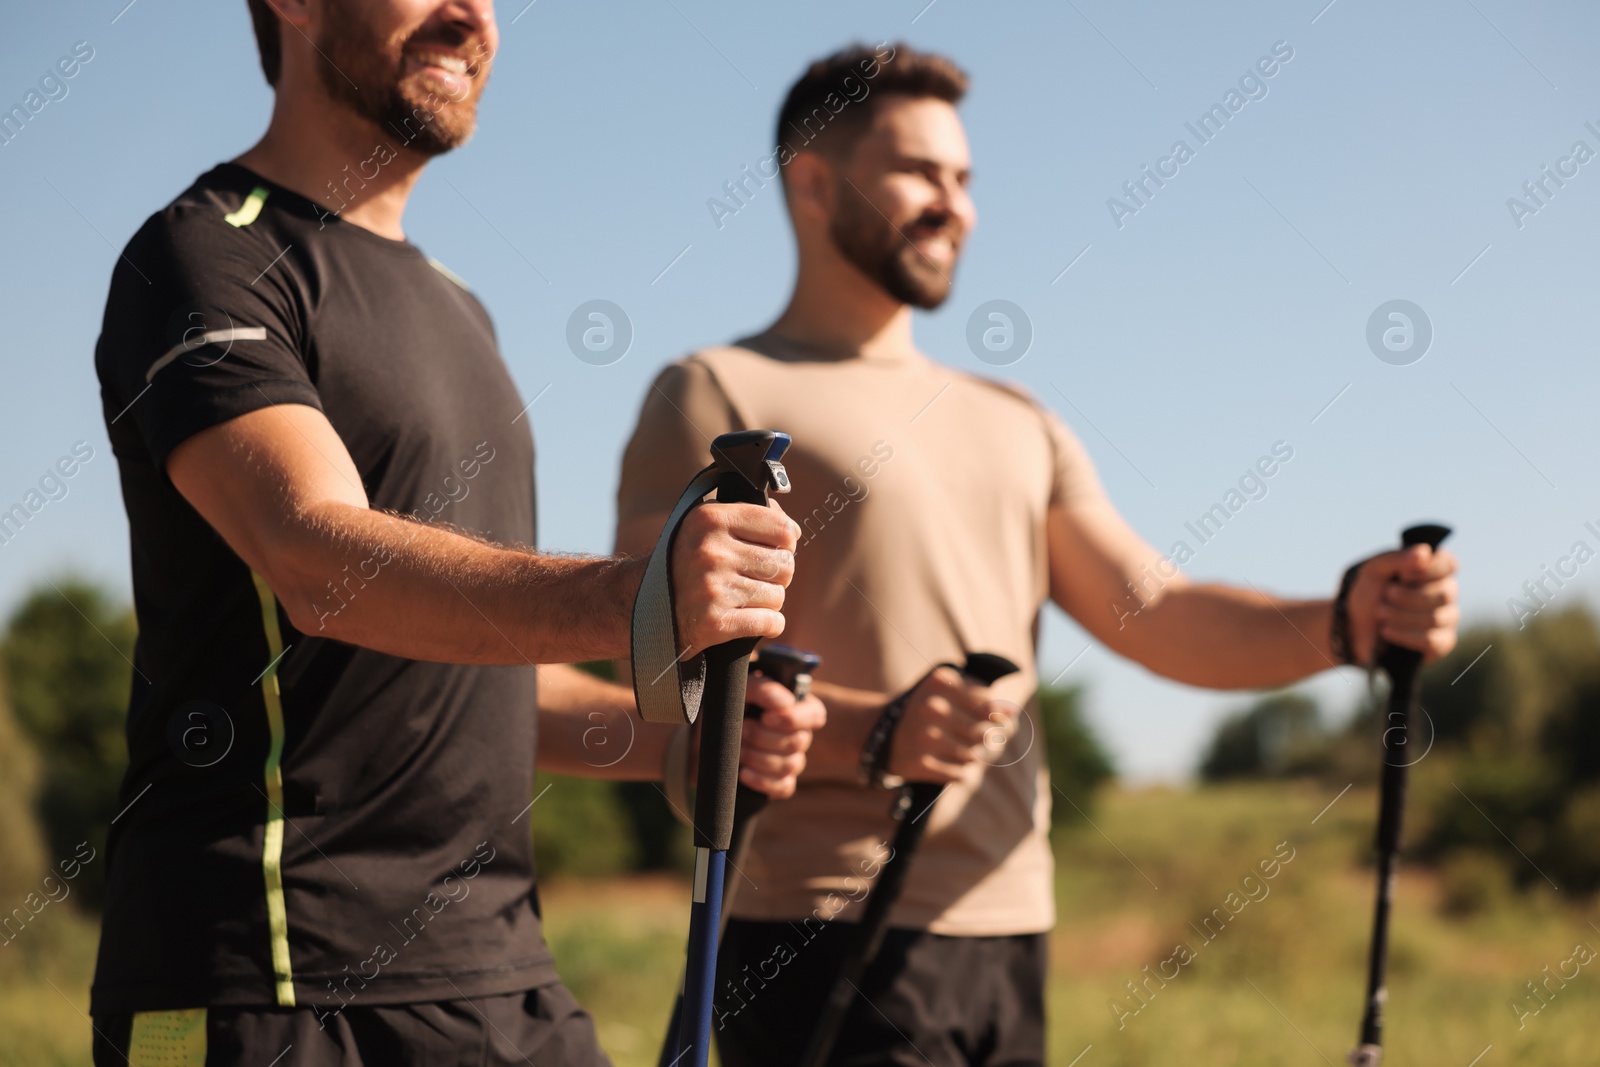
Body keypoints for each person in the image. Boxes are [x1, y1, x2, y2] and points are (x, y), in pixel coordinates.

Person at [614, 42, 1461, 1067]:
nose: (954, 203)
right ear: (811, 181)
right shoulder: (715, 395)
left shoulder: (1015, 418)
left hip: (1009, 932)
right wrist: (875, 731)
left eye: (964, 179)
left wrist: (1341, 621)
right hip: (817, 927)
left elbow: (1158, 611)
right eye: (920, 172)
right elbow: (658, 675)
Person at [89, 2, 820, 1064]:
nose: (470, 11)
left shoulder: (458, 304)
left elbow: (470, 684)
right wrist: (640, 596)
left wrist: (680, 741)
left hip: (498, 978)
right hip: (272, 980)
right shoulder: (204, 255)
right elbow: (316, 553)